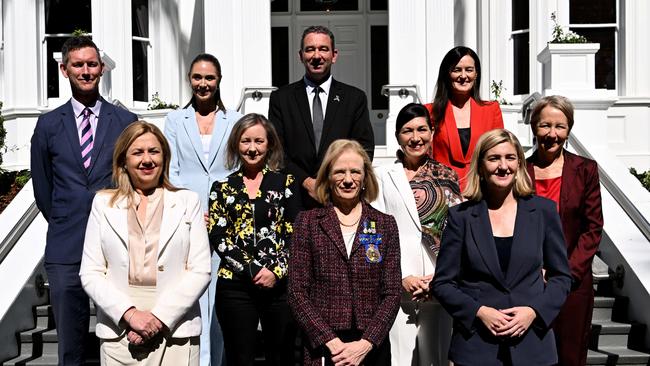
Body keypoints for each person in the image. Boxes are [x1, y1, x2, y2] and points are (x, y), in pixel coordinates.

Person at [30, 36, 137, 365]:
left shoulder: (126, 122)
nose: (86, 70)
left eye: (92, 64)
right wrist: (67, 217)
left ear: (102, 68)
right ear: (64, 70)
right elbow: (43, 189)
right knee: (71, 347)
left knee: (123, 339)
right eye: (78, 64)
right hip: (67, 246)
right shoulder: (48, 126)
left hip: (117, 246)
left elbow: (133, 180)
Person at [431, 129, 572, 366]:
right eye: (494, 158)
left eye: (510, 157)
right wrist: (479, 312)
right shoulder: (461, 217)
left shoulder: (543, 212)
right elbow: (443, 283)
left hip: (533, 346)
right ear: (481, 166)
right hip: (477, 347)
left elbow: (561, 277)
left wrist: (534, 311)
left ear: (519, 163)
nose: (503, 166)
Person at [79, 121, 210, 365]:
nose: (147, 160)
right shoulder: (102, 204)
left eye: (154, 151)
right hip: (119, 330)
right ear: (123, 161)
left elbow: (200, 270)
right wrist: (130, 315)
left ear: (165, 157)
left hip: (176, 328)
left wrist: (158, 319)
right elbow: (91, 272)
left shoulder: (188, 202)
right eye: (138, 152)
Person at [288, 139, 401, 366]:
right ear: (328, 177)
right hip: (324, 346)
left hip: (371, 347)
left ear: (365, 178)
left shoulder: (385, 224)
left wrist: (365, 343)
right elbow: (297, 291)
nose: (348, 180)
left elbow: (392, 292)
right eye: (340, 172)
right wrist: (331, 342)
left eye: (355, 172)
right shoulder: (307, 223)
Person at [163, 53, 242, 366]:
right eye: (197, 77)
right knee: (193, 297)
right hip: (188, 220)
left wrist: (222, 211)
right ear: (189, 79)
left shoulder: (235, 120)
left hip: (228, 223)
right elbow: (172, 170)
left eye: (209, 78)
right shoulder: (174, 121)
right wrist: (195, 210)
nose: (203, 84)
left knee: (223, 300)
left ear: (219, 80)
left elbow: (238, 168)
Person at [371, 103, 462, 365]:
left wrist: (442, 276)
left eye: (422, 129)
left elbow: (456, 234)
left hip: (438, 281)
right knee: (401, 358)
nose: (416, 137)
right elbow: (374, 233)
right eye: (407, 131)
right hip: (399, 284)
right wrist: (400, 276)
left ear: (432, 133)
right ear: (397, 136)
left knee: (437, 357)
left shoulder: (447, 175)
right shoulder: (382, 176)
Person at [207, 113, 300, 366]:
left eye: (259, 141)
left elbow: (296, 234)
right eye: (245, 141)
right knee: (240, 358)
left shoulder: (286, 183)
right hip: (235, 287)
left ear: (269, 144)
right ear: (236, 144)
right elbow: (219, 237)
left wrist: (276, 271)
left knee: (281, 358)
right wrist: (253, 270)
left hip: (279, 287)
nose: (252, 148)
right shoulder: (222, 187)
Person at [525, 96, 603, 366]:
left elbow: (592, 229)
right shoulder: (520, 171)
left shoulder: (585, 170)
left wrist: (564, 274)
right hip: (528, 285)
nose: (552, 134)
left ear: (569, 129)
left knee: (570, 357)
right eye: (545, 125)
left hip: (573, 285)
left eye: (560, 126)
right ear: (534, 127)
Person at [268, 25, 375, 208]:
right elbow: (276, 150)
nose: (316, 56)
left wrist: (337, 180)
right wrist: (306, 181)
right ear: (300, 55)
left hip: (340, 197)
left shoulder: (354, 98)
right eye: (310, 49)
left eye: (323, 49)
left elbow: (364, 149)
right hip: (295, 198)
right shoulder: (281, 99)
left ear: (334, 55)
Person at [425, 46, 504, 190]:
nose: (463, 76)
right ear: (447, 74)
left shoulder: (491, 110)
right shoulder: (430, 111)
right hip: (444, 191)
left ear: (476, 74)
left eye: (469, 70)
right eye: (457, 70)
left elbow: (499, 151)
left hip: (482, 191)